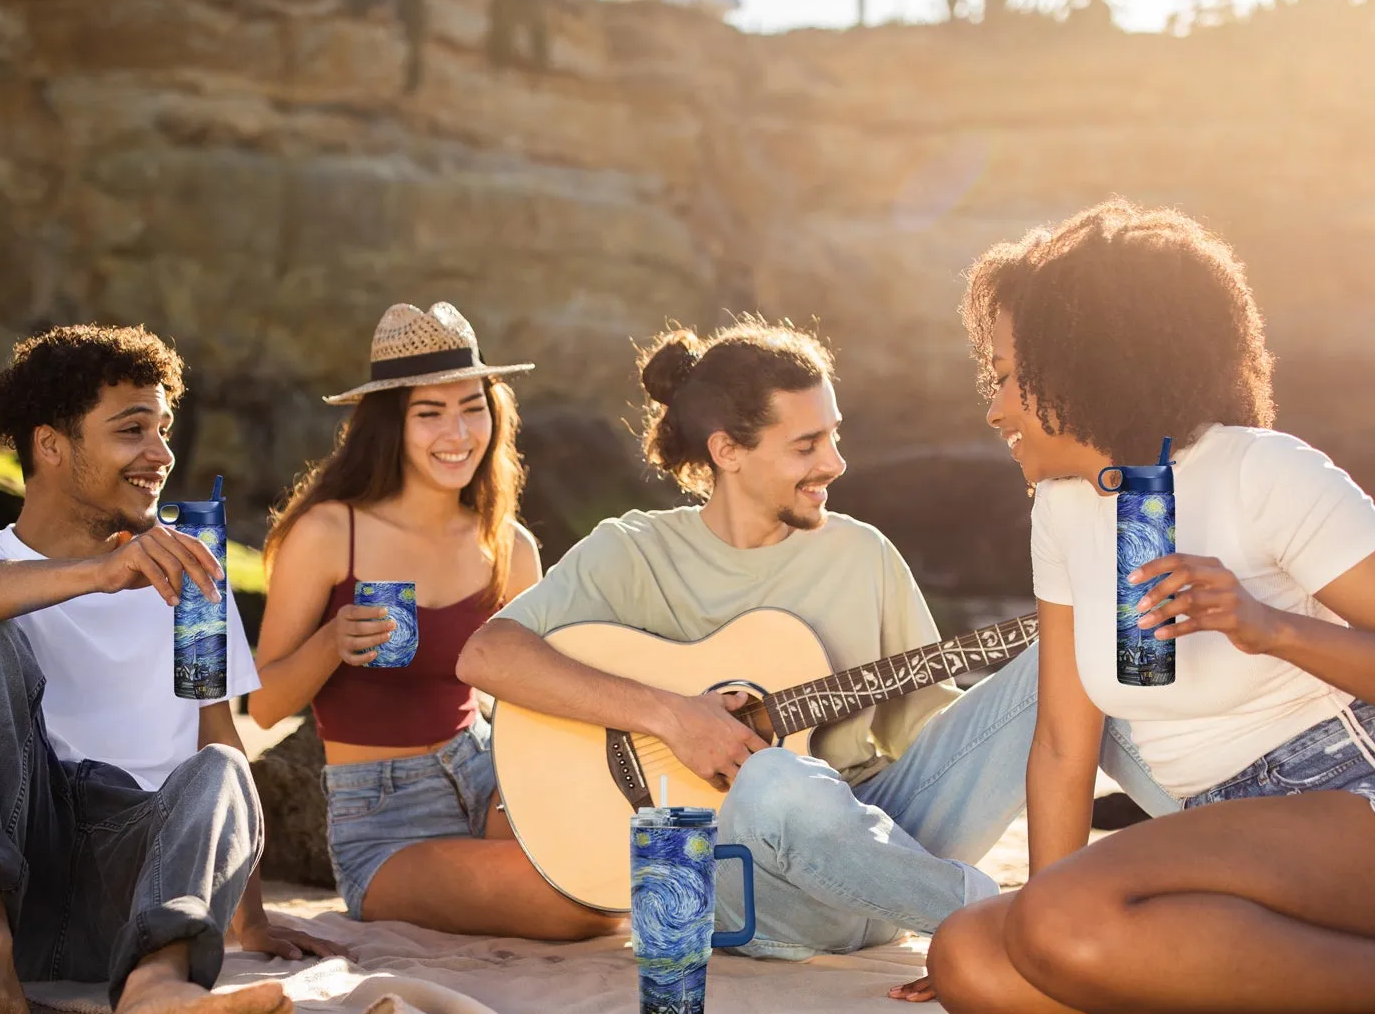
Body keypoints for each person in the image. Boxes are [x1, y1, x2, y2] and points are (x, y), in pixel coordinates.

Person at [903, 199, 1375, 1014]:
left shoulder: (1263, 472)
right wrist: (1039, 949)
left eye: (1007, 377)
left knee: (1052, 925)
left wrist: (1266, 625)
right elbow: (1062, 741)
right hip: (1217, 859)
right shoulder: (1060, 511)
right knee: (974, 962)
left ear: (1080, 363)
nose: (994, 408)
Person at [458, 316, 1178, 960]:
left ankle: (1225, 837)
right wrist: (673, 716)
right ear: (727, 451)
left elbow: (929, 738)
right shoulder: (632, 552)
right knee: (775, 778)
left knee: (1074, 652)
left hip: (880, 853)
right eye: (807, 444)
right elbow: (486, 655)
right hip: (750, 887)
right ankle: (1008, 922)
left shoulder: (862, 554)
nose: (834, 463)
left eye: (833, 435)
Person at [0, 325, 334, 1014]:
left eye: (163, 430)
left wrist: (250, 915)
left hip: (138, 892)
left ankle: (155, 992)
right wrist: (95, 574)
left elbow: (221, 735)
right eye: (131, 430)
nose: (160, 453)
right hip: (16, 870)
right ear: (50, 446)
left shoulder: (189, 577)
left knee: (219, 766)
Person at [248, 302, 613, 940]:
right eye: (430, 413)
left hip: (489, 775)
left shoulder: (509, 546)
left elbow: (545, 689)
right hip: (385, 819)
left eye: (473, 406)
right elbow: (264, 706)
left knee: (619, 860)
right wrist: (333, 642)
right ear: (391, 425)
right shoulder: (333, 532)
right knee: (581, 904)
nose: (458, 432)